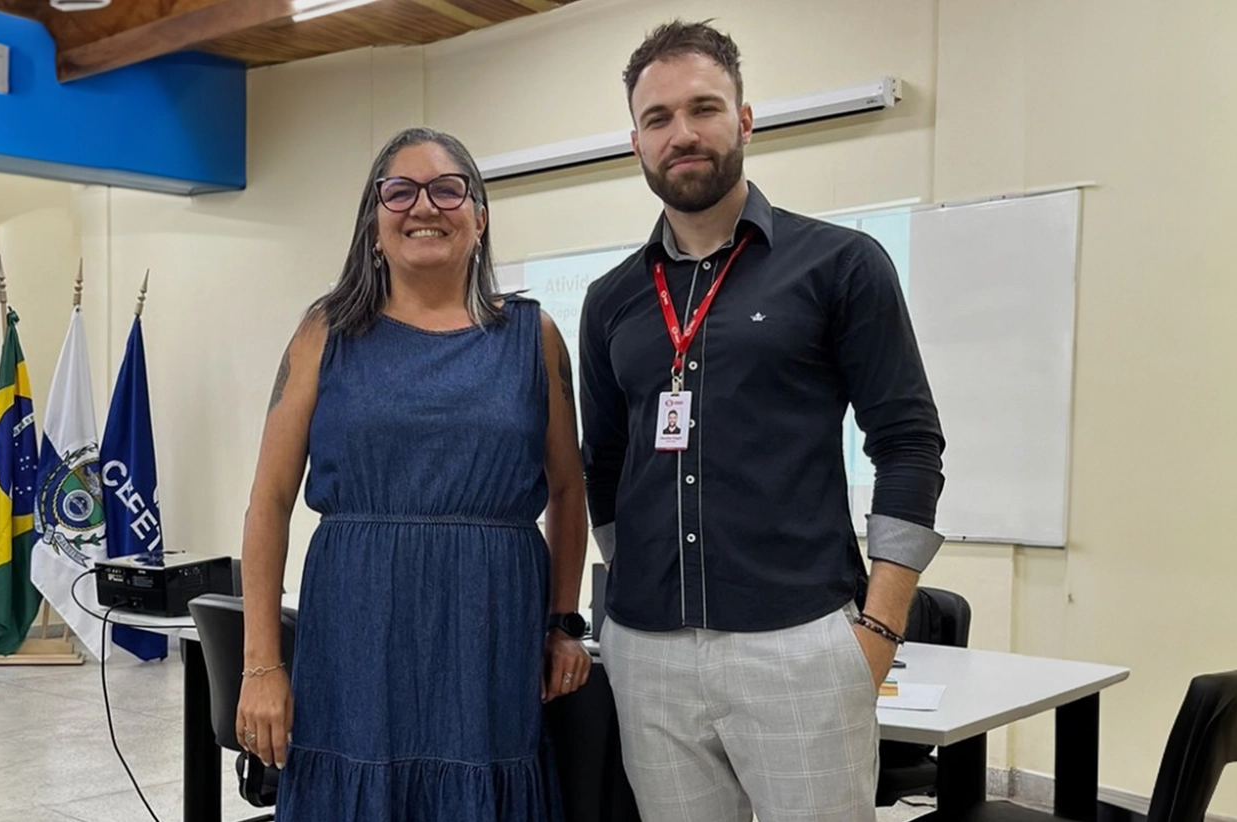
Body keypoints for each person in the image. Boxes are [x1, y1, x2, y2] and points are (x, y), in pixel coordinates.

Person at [578, 21, 946, 822]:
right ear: (636, 142)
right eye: (658, 118)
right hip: (647, 655)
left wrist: (877, 628)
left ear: (744, 119)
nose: (683, 133)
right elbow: (602, 467)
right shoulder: (611, 301)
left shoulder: (841, 265)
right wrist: (643, 580)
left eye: (703, 108)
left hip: (801, 646)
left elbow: (910, 446)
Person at [237, 127, 592, 822]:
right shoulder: (325, 333)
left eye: (447, 188)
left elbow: (568, 488)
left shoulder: (534, 336)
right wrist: (263, 663)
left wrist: (562, 622)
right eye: (398, 191)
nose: (422, 206)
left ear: (480, 218)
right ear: (374, 223)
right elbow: (269, 501)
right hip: (354, 630)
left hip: (487, 633)